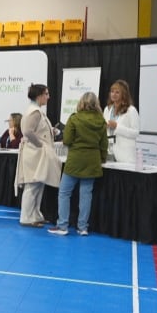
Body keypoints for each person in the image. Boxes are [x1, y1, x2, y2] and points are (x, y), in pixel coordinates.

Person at [48, 92, 108, 236]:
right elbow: (104, 144)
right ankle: (83, 228)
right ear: (96, 104)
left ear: (81, 103)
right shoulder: (101, 121)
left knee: (64, 193)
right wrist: (102, 159)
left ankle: (62, 226)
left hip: (75, 161)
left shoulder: (74, 118)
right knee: (86, 194)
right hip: (92, 161)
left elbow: (67, 140)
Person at [14, 83, 62, 227]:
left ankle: (35, 214)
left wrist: (50, 131)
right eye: (46, 94)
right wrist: (40, 144)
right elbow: (28, 131)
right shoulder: (34, 112)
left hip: (36, 152)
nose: (48, 97)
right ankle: (26, 217)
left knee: (38, 184)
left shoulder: (36, 111)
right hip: (34, 153)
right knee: (33, 184)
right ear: (39, 96)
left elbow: (35, 130)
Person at [103, 79, 140, 163]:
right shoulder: (107, 109)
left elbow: (135, 133)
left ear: (124, 94)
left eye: (117, 92)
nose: (114, 94)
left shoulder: (131, 110)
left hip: (125, 155)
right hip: (109, 152)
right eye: (112, 91)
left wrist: (117, 127)